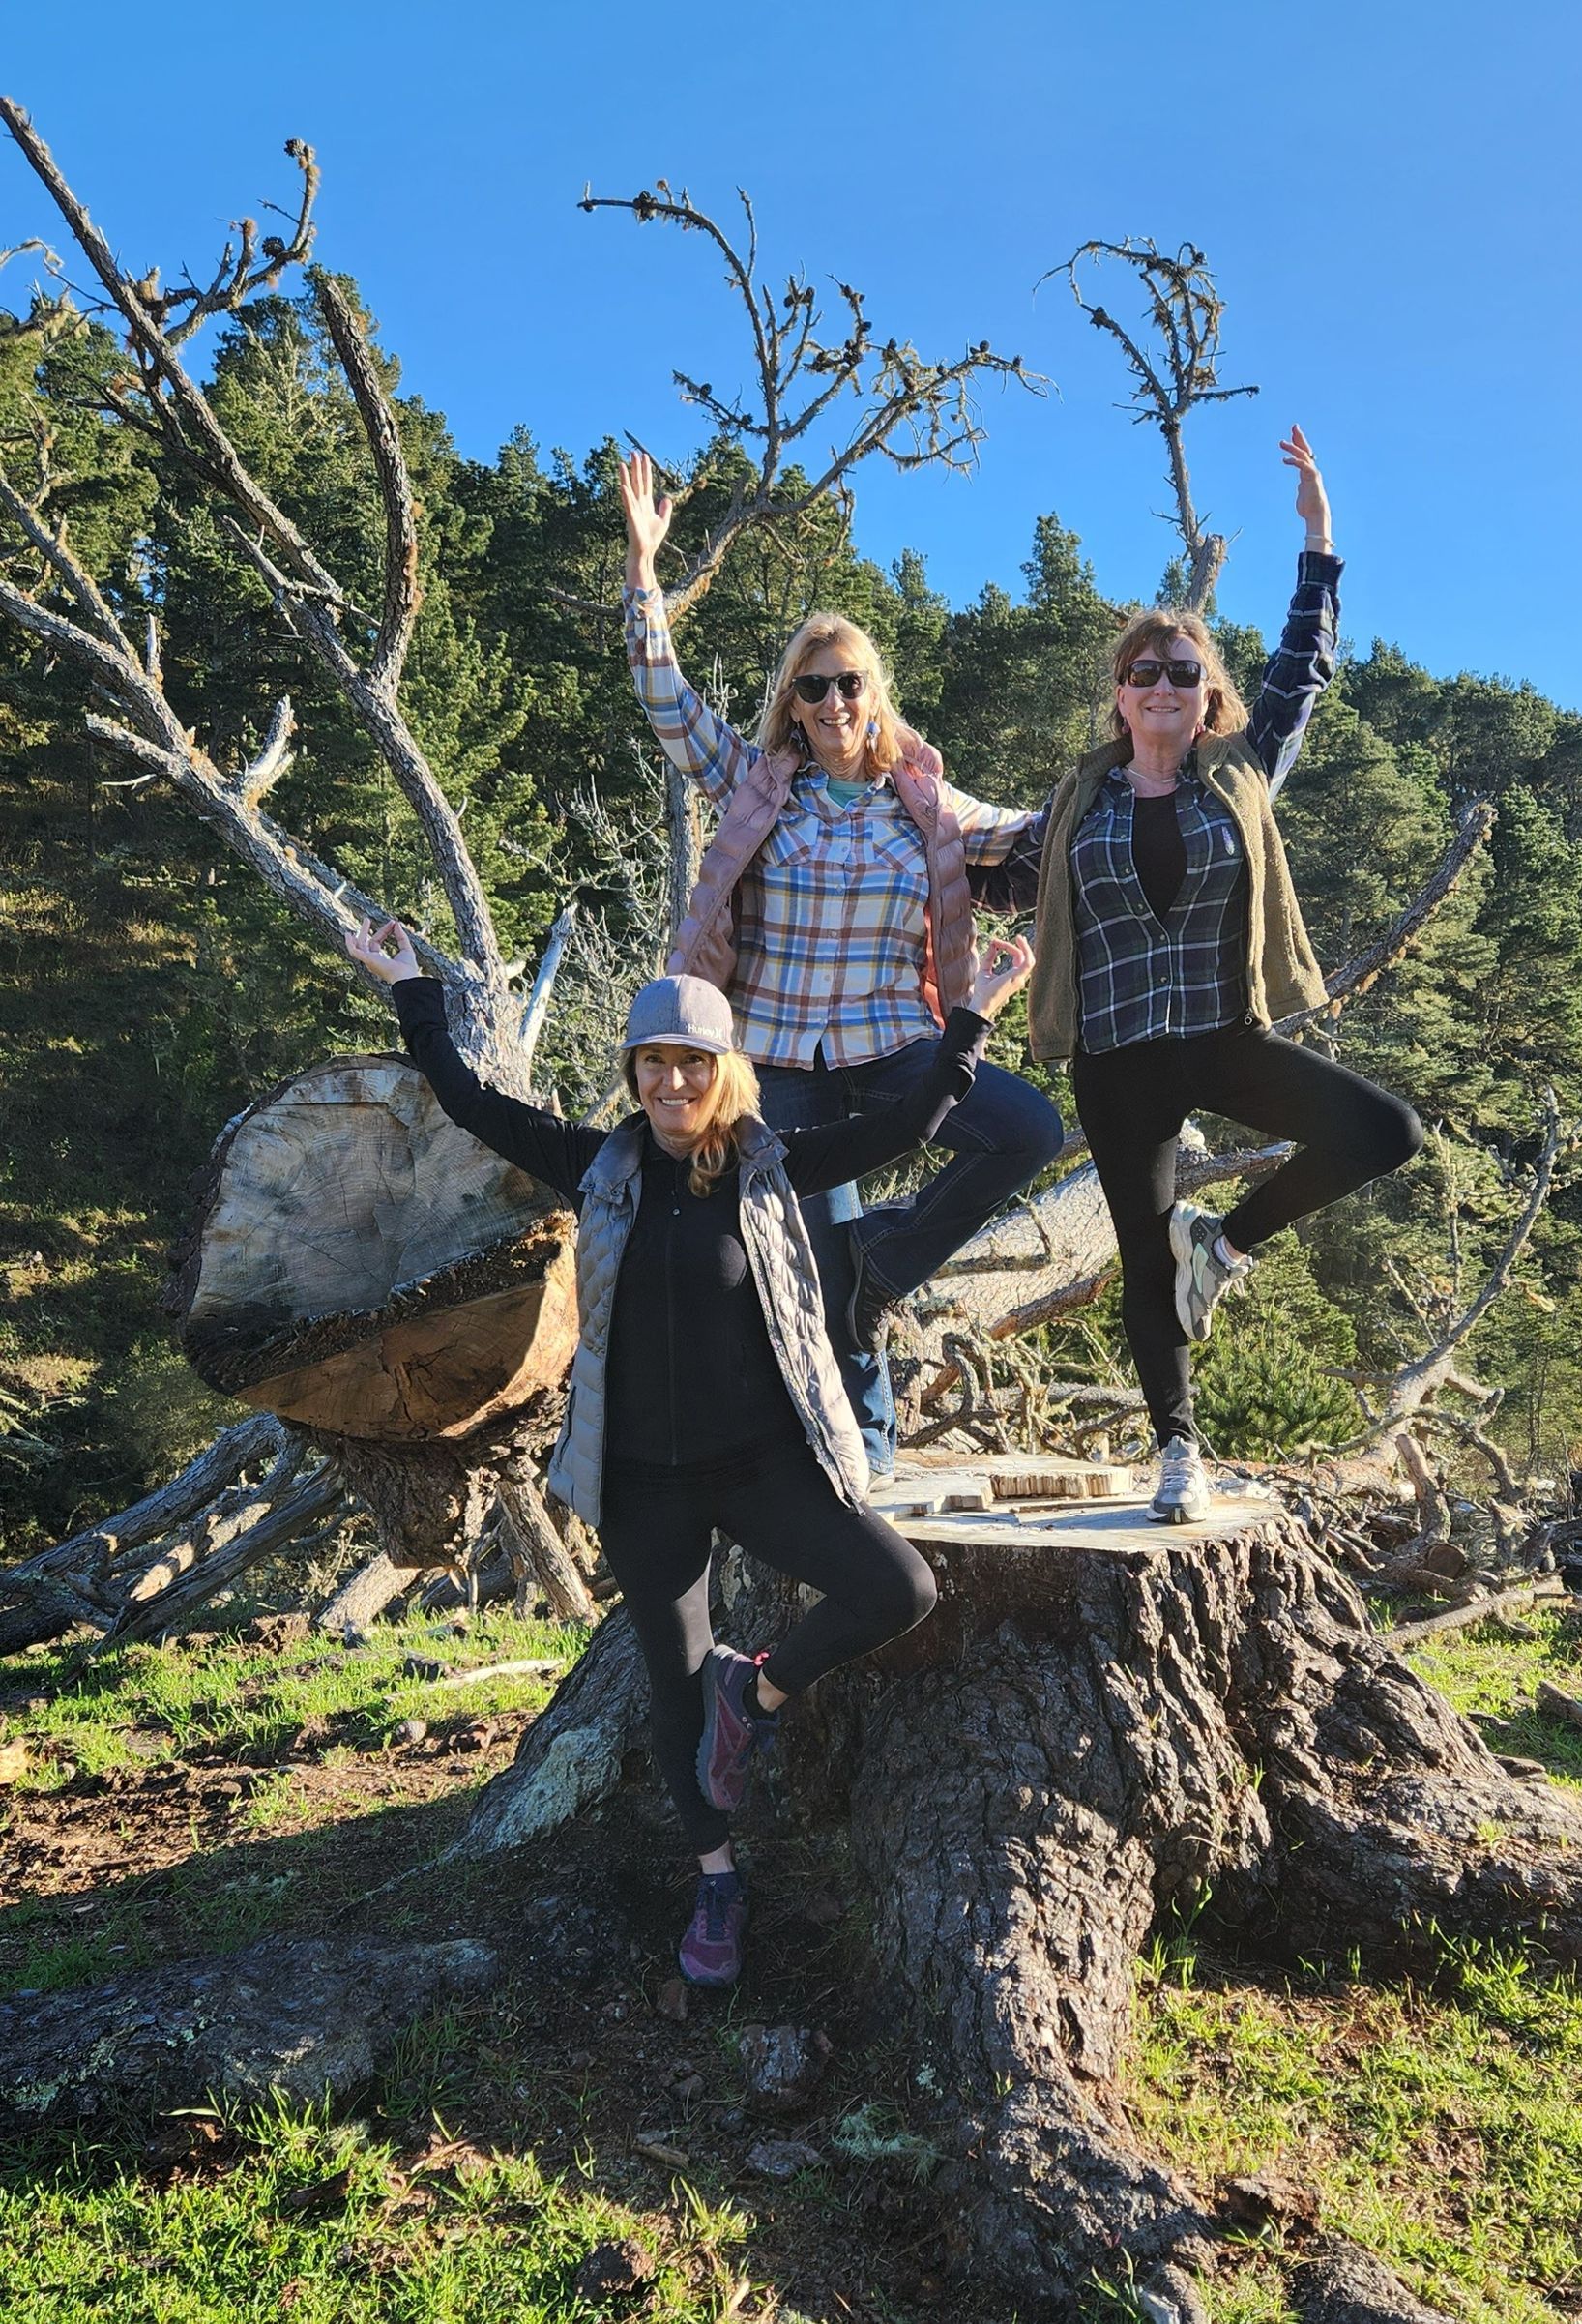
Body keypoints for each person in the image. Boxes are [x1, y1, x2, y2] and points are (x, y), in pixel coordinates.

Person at [344, 917, 1035, 1986]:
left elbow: (915, 1120)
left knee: (899, 1587)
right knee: (671, 1691)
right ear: (634, 1071)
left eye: (692, 1063)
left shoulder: (775, 1167)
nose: (671, 1081)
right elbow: (470, 1103)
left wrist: (975, 1011)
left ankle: (753, 1694)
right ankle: (715, 1880)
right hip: (640, 1483)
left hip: (763, 1466)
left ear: (724, 1073)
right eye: (653, 1063)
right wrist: (410, 988)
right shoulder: (600, 1166)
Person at [985, 428, 1423, 1524]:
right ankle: (1177, 1449)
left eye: (1185, 672)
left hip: (1224, 1033)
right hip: (1117, 1056)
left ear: (1206, 692)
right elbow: (994, 876)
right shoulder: (1077, 802)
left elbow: (1304, 667)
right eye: (1145, 674)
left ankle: (1220, 1247)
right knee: (1141, 1259)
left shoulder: (1240, 773)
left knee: (1383, 1133)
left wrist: (1320, 543)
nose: (1165, 685)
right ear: (1121, 697)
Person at [618, 450, 1064, 1477]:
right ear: (793, 701)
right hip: (772, 1057)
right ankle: (855, 1453)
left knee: (1024, 1131)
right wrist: (645, 569)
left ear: (875, 693)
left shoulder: (928, 806)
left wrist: (1134, 773)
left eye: (846, 684)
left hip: (895, 1049)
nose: (828, 703)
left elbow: (1043, 834)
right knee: (808, 1271)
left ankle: (888, 1261)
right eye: (810, 688)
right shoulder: (755, 785)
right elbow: (665, 699)